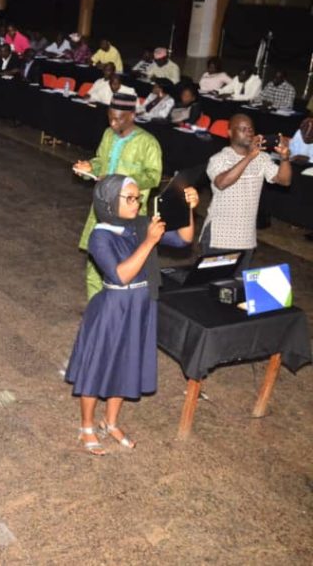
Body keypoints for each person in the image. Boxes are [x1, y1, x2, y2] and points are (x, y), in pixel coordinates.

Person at [66, 176, 198, 455]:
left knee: (125, 364)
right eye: (129, 198)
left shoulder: (139, 224)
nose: (137, 203)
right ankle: (87, 426)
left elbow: (183, 239)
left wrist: (186, 209)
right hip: (113, 308)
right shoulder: (100, 236)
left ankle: (111, 421)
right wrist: (149, 241)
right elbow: (121, 275)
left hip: (140, 305)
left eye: (138, 198)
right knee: (98, 366)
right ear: (109, 202)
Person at [72, 93, 163, 299]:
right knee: (95, 267)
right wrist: (89, 167)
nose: (113, 123)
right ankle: (96, 309)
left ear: (132, 116)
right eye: (110, 118)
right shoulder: (108, 135)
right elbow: (100, 162)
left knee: (123, 270)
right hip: (102, 212)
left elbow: (153, 177)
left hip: (129, 216)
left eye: (118, 119)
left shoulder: (148, 143)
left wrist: (120, 181)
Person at [200, 114, 291, 268]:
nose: (248, 132)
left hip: (246, 237)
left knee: (238, 282)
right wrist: (248, 157)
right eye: (242, 129)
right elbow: (222, 183)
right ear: (230, 133)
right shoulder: (219, 158)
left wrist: (285, 159)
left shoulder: (262, 158)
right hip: (220, 235)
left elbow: (284, 180)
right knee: (215, 281)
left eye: (250, 129)